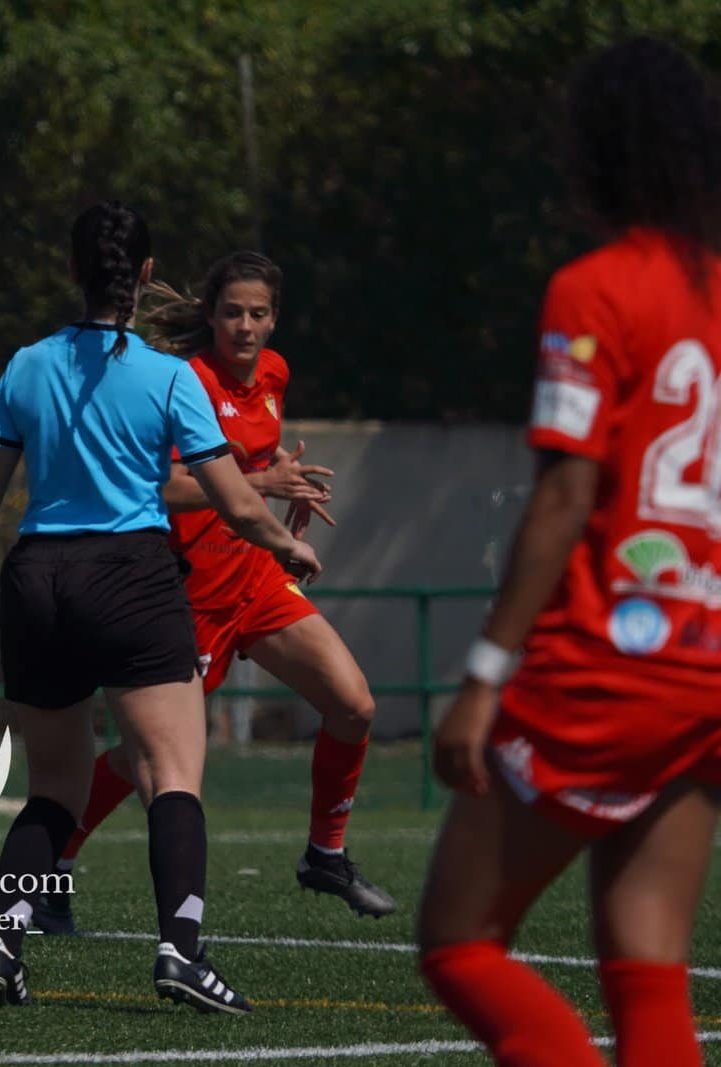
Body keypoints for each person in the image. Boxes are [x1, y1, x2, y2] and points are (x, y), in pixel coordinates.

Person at [417, 38, 721, 1067]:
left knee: (458, 942)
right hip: (705, 667)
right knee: (647, 964)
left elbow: (564, 495)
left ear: (594, 154)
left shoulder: (595, 287)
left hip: (604, 664)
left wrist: (483, 675)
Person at [0, 201, 321, 1011]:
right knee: (171, 774)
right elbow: (233, 501)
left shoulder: (26, 364)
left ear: (71, 271)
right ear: (147, 276)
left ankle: (1, 942)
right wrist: (286, 546)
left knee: (53, 786)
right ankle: (181, 952)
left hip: (35, 577)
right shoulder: (165, 375)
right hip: (129, 574)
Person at [34, 253, 395, 936]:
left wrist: (277, 475)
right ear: (210, 315)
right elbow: (160, 485)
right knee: (142, 755)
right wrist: (259, 486)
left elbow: (248, 462)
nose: (246, 326)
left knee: (354, 703)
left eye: (259, 313)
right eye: (233, 311)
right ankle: (54, 860)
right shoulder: (184, 380)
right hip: (188, 596)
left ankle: (326, 853)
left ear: (275, 318)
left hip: (255, 580)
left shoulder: (275, 373)